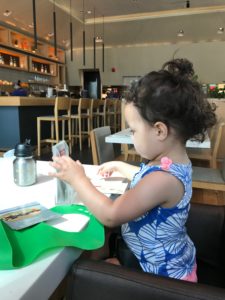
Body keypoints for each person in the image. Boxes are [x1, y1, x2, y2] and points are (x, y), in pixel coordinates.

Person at [49, 58, 217, 282]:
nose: (131, 137)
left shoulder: (163, 179)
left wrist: (78, 179)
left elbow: (111, 215)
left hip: (162, 279)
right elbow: (146, 179)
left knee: (88, 264)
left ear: (159, 131)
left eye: (133, 130)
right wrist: (120, 166)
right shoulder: (172, 163)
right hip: (155, 259)